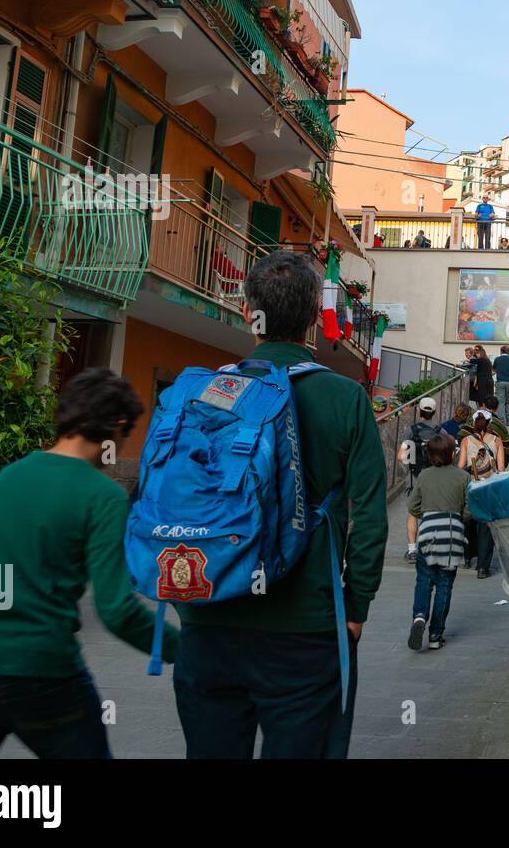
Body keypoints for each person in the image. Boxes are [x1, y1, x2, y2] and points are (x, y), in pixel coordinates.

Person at [172, 251, 387, 759]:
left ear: (249, 312)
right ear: (316, 316)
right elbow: (371, 515)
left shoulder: (208, 391)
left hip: (211, 621)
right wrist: (354, 609)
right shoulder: (345, 397)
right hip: (307, 627)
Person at [0, 369, 179, 759]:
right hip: (40, 670)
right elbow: (118, 609)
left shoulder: (7, 479)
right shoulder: (101, 495)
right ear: (119, 425)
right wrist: (187, 651)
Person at [407, 434, 469, 652]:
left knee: (424, 579)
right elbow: (469, 510)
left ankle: (420, 615)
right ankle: (435, 634)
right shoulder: (463, 477)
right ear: (453, 454)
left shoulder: (423, 476)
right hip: (451, 535)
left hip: (427, 533)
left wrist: (425, 513)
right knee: (444, 584)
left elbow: (412, 506)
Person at [458, 414, 505, 578]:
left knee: (468, 522)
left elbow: (461, 466)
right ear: (489, 423)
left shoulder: (465, 441)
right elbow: (500, 468)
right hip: (489, 488)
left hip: (472, 487)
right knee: (485, 527)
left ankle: (467, 556)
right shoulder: (497, 441)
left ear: (473, 423)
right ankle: (482, 567)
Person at [405, 397, 442, 562]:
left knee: (413, 513)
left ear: (419, 411)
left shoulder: (410, 430)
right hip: (434, 478)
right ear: (434, 412)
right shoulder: (441, 432)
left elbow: (404, 456)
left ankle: (413, 550)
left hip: (414, 478)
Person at [465, 395, 509, 468]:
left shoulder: (471, 420)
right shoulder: (500, 426)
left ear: (483, 405)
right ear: (496, 408)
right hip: (492, 466)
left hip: (470, 463)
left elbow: (460, 436)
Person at [493, 345, 509, 424]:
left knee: (500, 402)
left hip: (500, 382)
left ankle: (501, 420)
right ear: (508, 352)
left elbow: (494, 369)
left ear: (501, 351)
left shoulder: (497, 359)